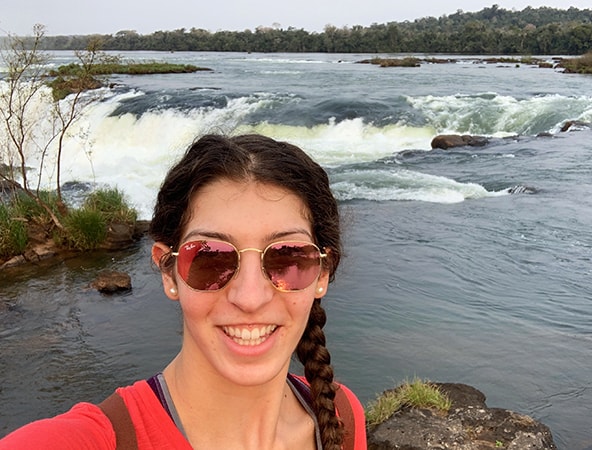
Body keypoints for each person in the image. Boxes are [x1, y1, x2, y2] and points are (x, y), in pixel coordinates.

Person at [0, 134, 367, 450]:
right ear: (168, 270)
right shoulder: (89, 440)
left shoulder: (341, 416)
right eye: (211, 258)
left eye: (287, 256)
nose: (250, 297)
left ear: (322, 271)